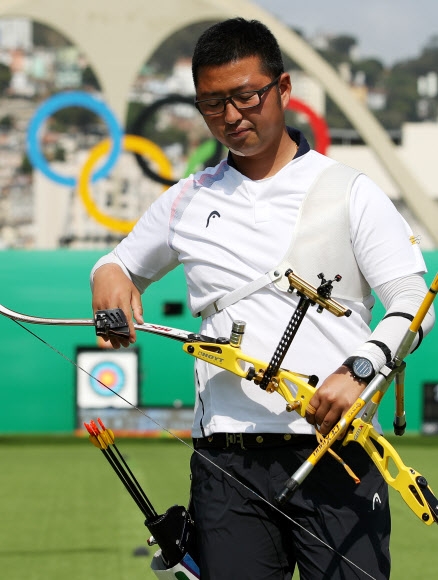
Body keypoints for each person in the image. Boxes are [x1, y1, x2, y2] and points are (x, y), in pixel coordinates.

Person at [90, 17, 435, 580]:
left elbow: (412, 302)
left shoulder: (350, 192)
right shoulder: (186, 200)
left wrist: (360, 367)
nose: (232, 116)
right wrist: (110, 279)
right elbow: (119, 263)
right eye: (212, 103)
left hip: (335, 453)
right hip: (226, 463)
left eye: (247, 96)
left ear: (284, 88)